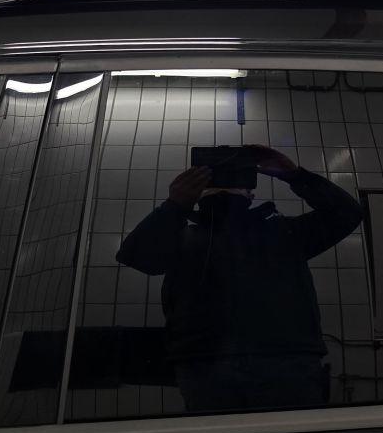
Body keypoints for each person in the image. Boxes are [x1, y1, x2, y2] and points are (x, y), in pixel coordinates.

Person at [115, 146, 363, 413]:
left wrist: (295, 175)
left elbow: (348, 213)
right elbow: (136, 257)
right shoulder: (182, 237)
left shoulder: (284, 232)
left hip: (276, 362)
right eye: (216, 178)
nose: (224, 185)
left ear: (251, 193)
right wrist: (174, 206)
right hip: (216, 364)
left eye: (233, 178)